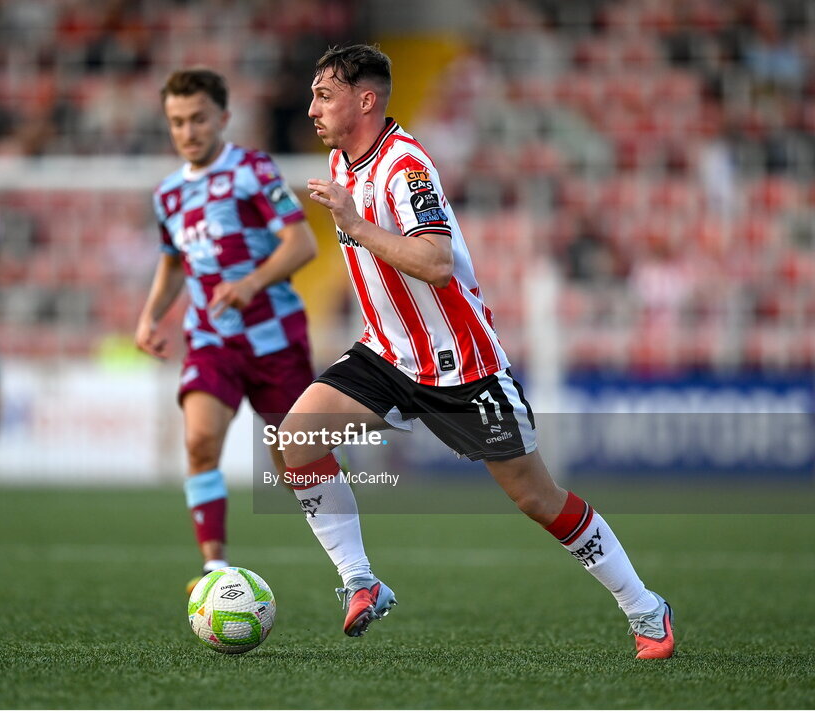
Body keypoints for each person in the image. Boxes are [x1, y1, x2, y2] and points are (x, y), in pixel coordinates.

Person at [279, 44, 674, 659]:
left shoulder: (406, 168)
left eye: (323, 95)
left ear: (366, 100)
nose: (311, 108)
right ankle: (360, 580)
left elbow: (436, 264)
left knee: (537, 499)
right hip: (387, 353)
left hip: (461, 367)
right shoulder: (342, 162)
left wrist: (356, 226)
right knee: (295, 439)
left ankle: (646, 609)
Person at [135, 69, 318, 593]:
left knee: (299, 467)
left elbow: (302, 244)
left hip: (275, 338)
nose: (187, 131)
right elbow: (173, 263)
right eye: (177, 122)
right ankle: (214, 568)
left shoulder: (253, 170)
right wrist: (150, 317)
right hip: (213, 340)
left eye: (197, 119)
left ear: (223, 118)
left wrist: (252, 281)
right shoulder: (167, 195)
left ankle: (345, 551)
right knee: (198, 442)